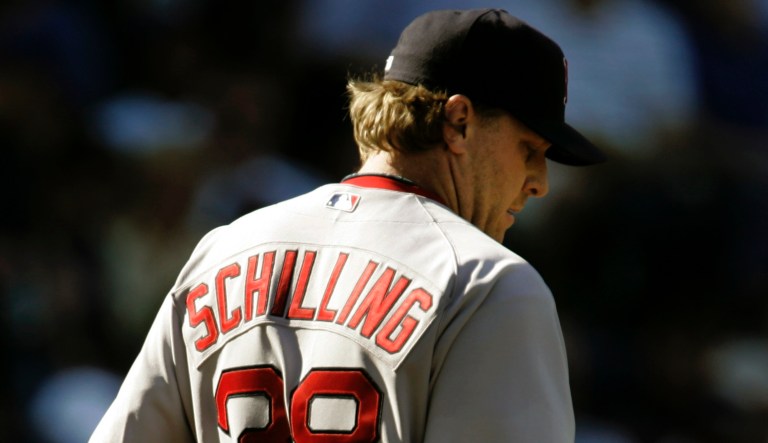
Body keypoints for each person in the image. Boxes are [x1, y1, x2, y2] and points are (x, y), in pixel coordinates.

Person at [90, 8, 605, 442]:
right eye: (530, 150)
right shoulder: (488, 284)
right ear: (460, 121)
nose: (540, 182)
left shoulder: (223, 250)